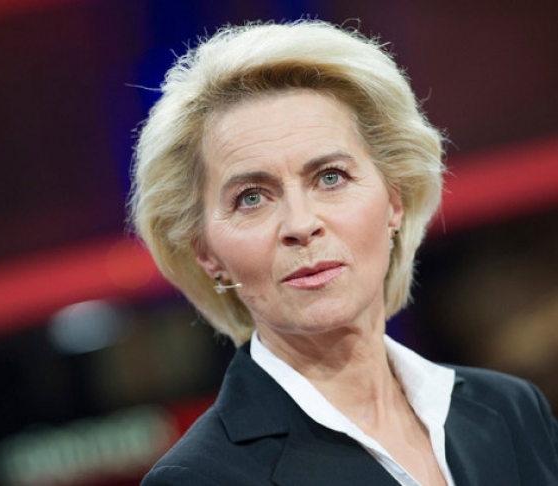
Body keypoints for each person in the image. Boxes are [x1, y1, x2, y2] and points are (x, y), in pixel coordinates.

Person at [128, 19, 558, 486]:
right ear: (206, 252)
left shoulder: (511, 410)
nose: (301, 225)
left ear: (394, 201)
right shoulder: (200, 479)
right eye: (251, 198)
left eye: (330, 177)